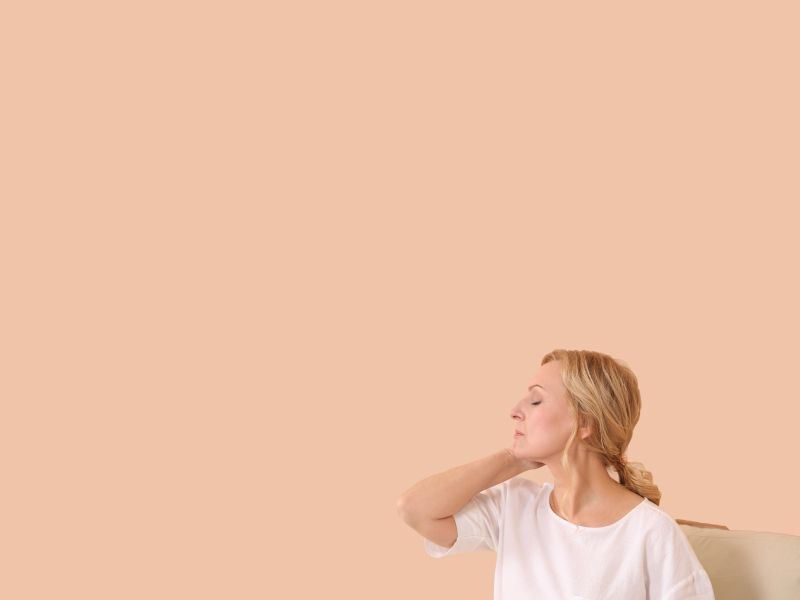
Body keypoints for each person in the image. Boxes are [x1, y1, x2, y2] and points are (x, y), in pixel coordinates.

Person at [396, 348, 715, 599]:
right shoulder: (513, 506)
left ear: (585, 423)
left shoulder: (651, 532)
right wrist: (513, 459)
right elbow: (415, 510)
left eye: (536, 400)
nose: (515, 410)